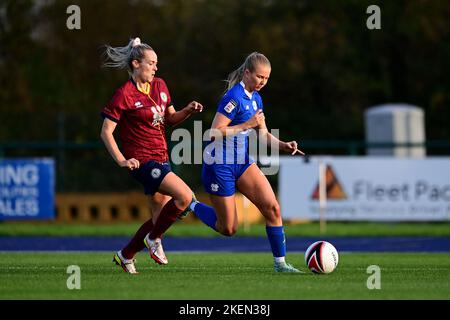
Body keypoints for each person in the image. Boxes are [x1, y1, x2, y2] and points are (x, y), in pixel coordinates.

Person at [191, 52, 304, 273]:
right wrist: (246, 125)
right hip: (219, 165)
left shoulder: (256, 98)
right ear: (247, 72)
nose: (263, 82)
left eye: (267, 78)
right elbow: (213, 132)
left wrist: (284, 145)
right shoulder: (233, 98)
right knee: (229, 228)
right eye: (259, 77)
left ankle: (280, 264)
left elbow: (263, 136)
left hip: (242, 162)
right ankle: (191, 204)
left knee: (272, 208)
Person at [100, 37, 202, 274]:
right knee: (185, 197)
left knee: (160, 216)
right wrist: (122, 159)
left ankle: (126, 255)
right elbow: (106, 131)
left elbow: (170, 119)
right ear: (136, 64)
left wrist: (187, 110)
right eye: (151, 63)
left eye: (156, 63)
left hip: (162, 156)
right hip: (143, 161)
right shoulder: (124, 94)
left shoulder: (160, 86)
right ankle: (154, 240)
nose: (156, 68)